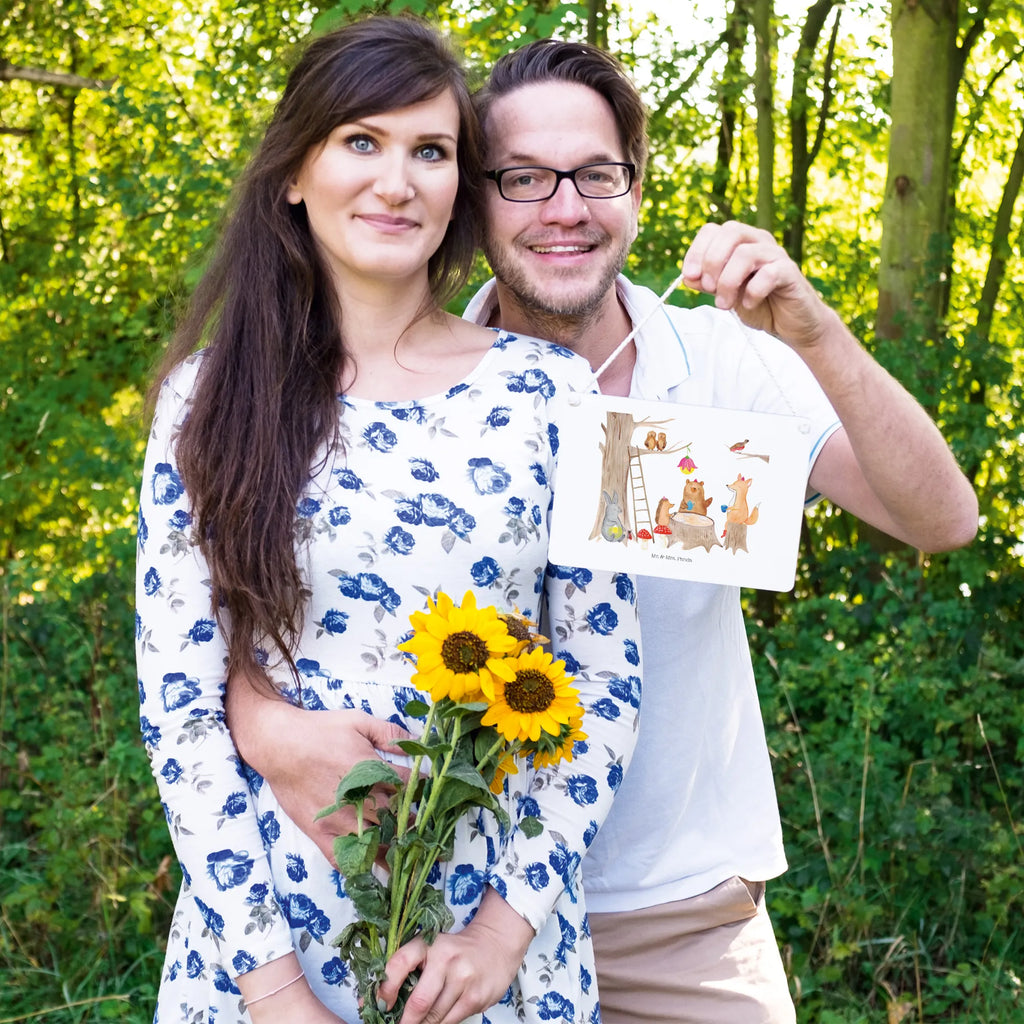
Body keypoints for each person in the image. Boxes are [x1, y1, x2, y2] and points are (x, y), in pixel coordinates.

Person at [226, 36, 979, 1024]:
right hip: (456, 904)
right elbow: (274, 618)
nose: (565, 208)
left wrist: (810, 328)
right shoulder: (402, 382)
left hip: (678, 918)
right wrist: (259, 717)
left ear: (636, 187)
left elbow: (941, 519)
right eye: (525, 178)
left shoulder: (720, 356)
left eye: (595, 174)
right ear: (473, 197)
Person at [135, 19, 641, 1024]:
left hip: (488, 946)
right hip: (266, 938)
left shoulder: (562, 393)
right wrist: (276, 994)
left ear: (460, 188)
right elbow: (178, 707)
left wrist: (499, 934)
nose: (397, 182)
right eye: (361, 142)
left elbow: (607, 680)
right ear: (295, 172)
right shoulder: (205, 398)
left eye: (432, 151)